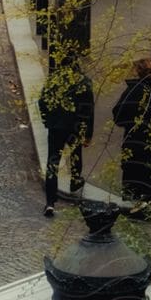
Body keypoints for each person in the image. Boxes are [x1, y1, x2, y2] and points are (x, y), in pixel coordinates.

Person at [112, 58, 151, 210]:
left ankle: (132, 205)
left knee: (132, 176)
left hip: (134, 141)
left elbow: (118, 115)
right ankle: (145, 204)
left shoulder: (132, 91)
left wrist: (130, 123)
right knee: (149, 177)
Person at [37, 65, 94, 214]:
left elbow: (42, 101)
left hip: (56, 127)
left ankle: (50, 202)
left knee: (52, 163)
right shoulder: (84, 82)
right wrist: (88, 133)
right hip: (74, 127)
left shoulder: (54, 80)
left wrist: (47, 120)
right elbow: (89, 109)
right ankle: (75, 181)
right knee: (76, 154)